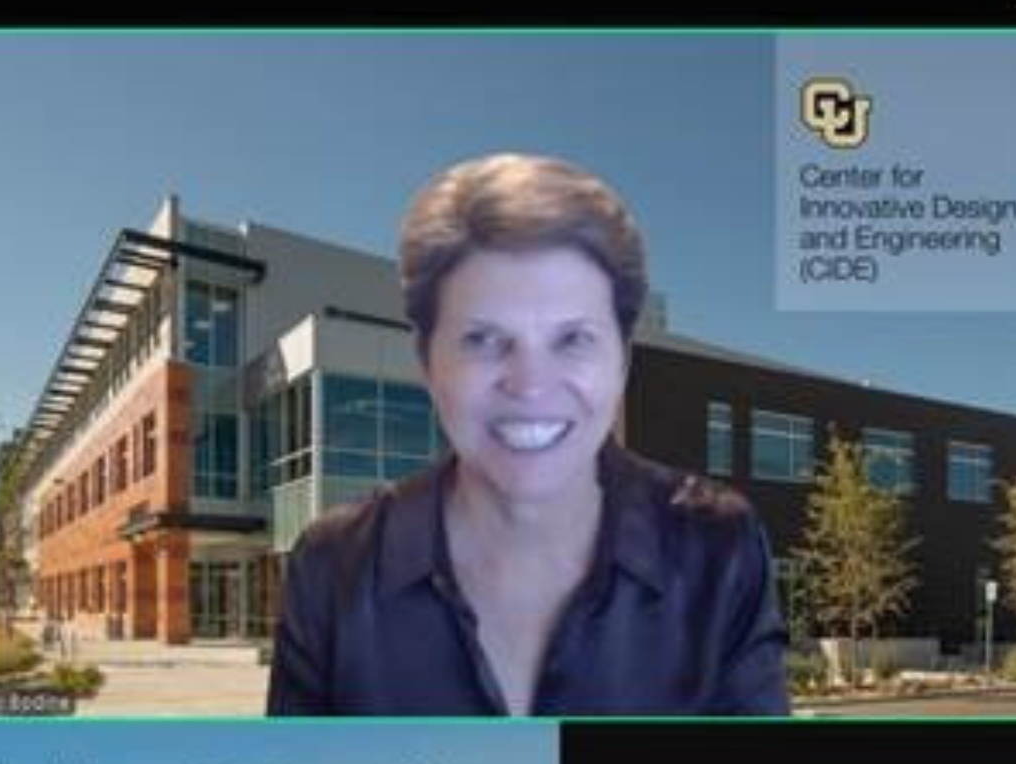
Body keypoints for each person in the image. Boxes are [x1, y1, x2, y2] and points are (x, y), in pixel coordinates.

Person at [267, 153, 787, 716]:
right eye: (484, 339)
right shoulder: (333, 570)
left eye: (573, 339)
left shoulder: (716, 552)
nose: (531, 384)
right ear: (426, 362)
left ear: (622, 359)